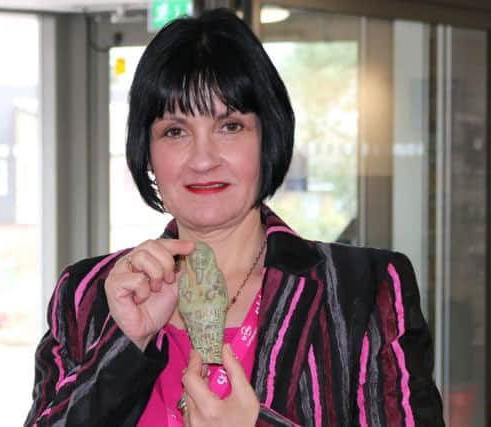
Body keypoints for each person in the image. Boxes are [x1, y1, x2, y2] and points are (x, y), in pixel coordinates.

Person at [25, 8, 444, 427]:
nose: (203, 159)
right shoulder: (87, 295)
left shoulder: (362, 290)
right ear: (146, 151)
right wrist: (125, 342)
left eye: (230, 126)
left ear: (268, 137)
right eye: (175, 131)